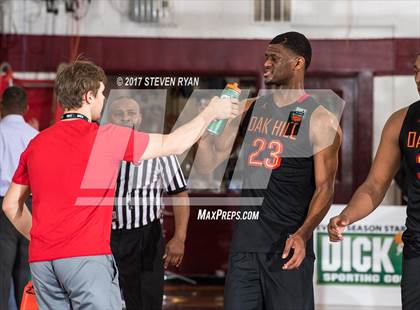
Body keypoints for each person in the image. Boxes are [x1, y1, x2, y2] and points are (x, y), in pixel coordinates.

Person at [2, 60, 238, 309]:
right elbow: (176, 144)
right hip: (86, 260)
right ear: (89, 96)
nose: (104, 100)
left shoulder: (37, 143)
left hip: (43, 262)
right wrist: (210, 113)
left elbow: (10, 206)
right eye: (102, 94)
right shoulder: (105, 136)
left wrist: (43, 239)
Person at [195, 32, 342, 310]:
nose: (266, 63)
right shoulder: (250, 109)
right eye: (265, 57)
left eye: (274, 58)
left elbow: (325, 188)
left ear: (298, 63)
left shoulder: (321, 119)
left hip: (288, 248)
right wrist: (209, 122)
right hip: (245, 247)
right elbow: (206, 166)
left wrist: (303, 234)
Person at [328, 53, 420, 310]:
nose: (419, 79)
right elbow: (375, 184)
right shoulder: (401, 122)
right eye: (415, 71)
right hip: (417, 248)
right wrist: (347, 215)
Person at [108, 97, 190, 310]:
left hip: (146, 236)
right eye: (119, 113)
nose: (126, 117)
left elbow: (180, 194)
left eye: (131, 113)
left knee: (146, 302)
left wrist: (179, 237)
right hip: (105, 237)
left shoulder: (160, 148)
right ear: (110, 118)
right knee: (103, 301)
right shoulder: (97, 150)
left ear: (139, 118)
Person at [0, 86, 38, 310]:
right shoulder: (34, 136)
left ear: (2, 106)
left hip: (1, 204)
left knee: (1, 269)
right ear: (26, 108)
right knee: (25, 268)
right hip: (28, 203)